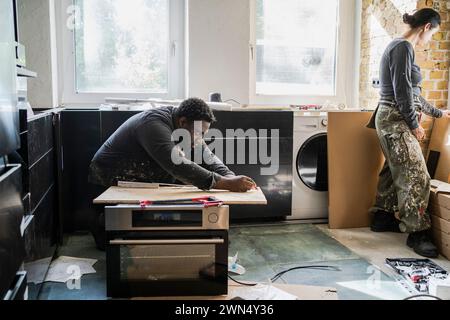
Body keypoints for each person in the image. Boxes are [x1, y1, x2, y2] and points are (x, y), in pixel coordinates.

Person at [88, 98, 256, 249]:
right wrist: (225, 184)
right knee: (110, 242)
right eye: (199, 133)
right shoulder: (153, 124)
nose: (200, 138)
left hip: (141, 176)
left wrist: (229, 176)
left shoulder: (184, 122)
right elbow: (177, 165)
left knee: (188, 189)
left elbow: (206, 155)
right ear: (182, 122)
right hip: (110, 178)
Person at [368, 8, 450, 258]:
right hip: (396, 118)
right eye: (433, 33)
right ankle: (417, 233)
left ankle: (382, 218)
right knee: (416, 173)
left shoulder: (401, 48)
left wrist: (438, 112)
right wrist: (415, 124)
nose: (431, 39)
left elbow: (412, 93)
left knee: (394, 169)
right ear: (427, 27)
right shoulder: (403, 48)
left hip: (391, 116)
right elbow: (402, 91)